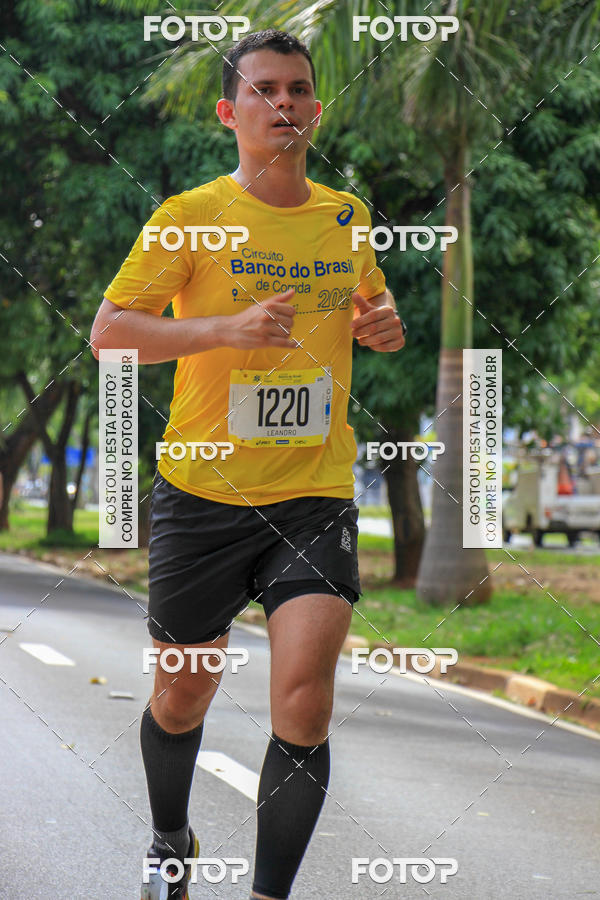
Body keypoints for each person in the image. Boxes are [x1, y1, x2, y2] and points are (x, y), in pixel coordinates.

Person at [90, 29, 405, 900]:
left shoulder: (347, 216)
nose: (286, 104)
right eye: (265, 89)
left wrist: (383, 325)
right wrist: (220, 330)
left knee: (302, 701)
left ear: (315, 106)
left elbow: (371, 308)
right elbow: (110, 334)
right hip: (203, 492)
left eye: (300, 89)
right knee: (180, 697)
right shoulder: (188, 217)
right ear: (231, 111)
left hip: (314, 492)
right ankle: (168, 839)